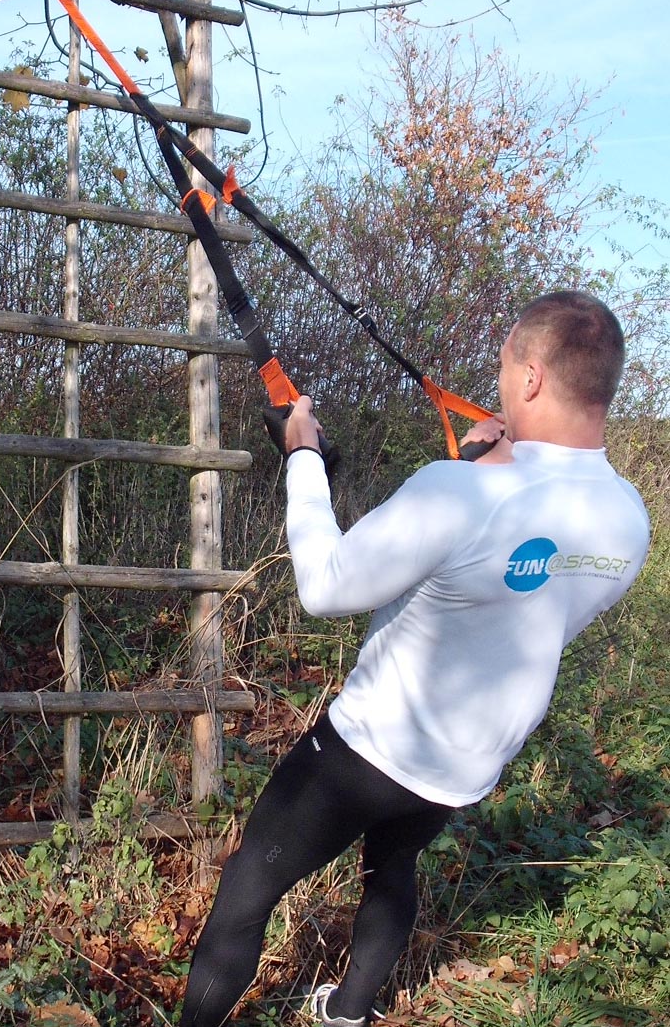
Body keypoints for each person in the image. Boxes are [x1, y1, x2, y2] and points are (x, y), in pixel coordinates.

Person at [179, 291, 650, 1027]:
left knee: (246, 891)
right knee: (391, 866)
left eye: (502, 367)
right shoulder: (629, 516)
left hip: (364, 751)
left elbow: (325, 585)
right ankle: (348, 1011)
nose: (498, 385)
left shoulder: (459, 492)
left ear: (529, 378)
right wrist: (504, 460)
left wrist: (303, 456)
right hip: (465, 766)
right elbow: (538, 583)